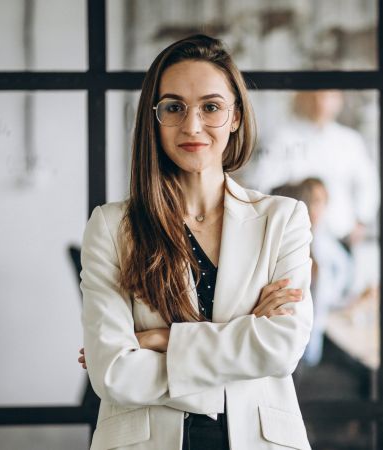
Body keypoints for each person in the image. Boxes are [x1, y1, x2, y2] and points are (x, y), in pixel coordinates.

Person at [77, 35, 313, 450]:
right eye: (173, 107)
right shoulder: (112, 227)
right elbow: (113, 373)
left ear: (236, 116)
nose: (192, 125)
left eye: (211, 107)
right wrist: (240, 342)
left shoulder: (283, 219)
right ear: (155, 117)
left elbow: (281, 348)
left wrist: (164, 339)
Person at [238, 90, 379, 249]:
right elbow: (261, 183)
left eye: (328, 96)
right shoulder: (281, 137)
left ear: (339, 100)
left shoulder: (350, 141)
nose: (321, 102)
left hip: (340, 234)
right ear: (301, 97)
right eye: (314, 96)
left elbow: (367, 183)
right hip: (292, 235)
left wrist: (362, 220)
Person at [271, 178, 354, 367]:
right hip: (294, 346)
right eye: (314, 201)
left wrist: (354, 301)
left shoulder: (328, 246)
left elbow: (331, 299)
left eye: (323, 202)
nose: (319, 209)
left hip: (319, 340)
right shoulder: (287, 244)